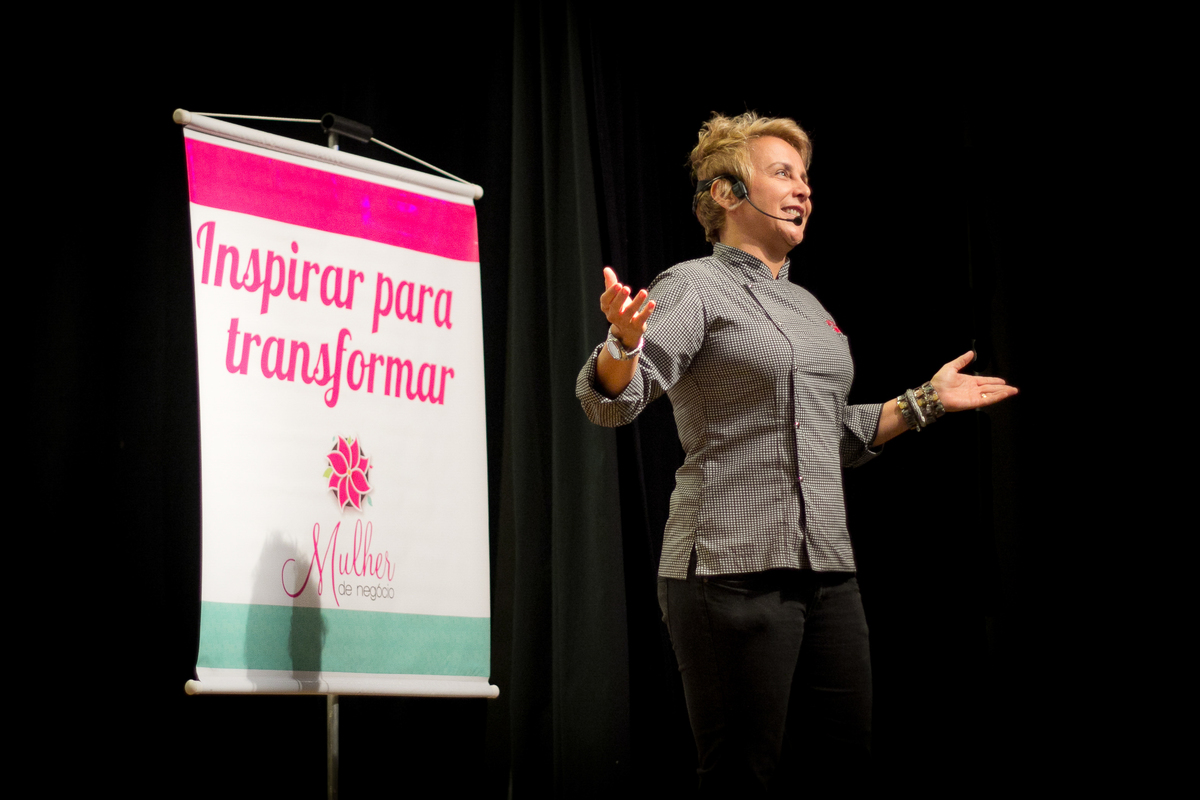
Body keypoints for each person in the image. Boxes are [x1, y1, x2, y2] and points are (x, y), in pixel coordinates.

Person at [575, 112, 1017, 795]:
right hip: (730, 569)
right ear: (726, 193)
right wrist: (622, 345)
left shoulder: (810, 307)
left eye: (806, 178)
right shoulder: (693, 285)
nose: (803, 190)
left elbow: (827, 435)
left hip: (827, 570)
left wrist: (926, 400)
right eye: (783, 174)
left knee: (844, 764)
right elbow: (613, 402)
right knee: (742, 775)